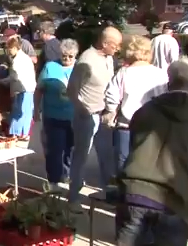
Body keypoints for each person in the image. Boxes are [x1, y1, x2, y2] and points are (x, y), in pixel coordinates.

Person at [116, 58, 188, 246]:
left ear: (169, 82)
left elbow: (132, 146)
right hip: (173, 201)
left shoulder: (145, 110)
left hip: (134, 192)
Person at [66, 26, 122, 210]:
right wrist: (82, 109)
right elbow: (71, 90)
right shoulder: (86, 60)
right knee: (81, 156)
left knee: (107, 157)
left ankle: (111, 195)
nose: (118, 49)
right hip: (87, 116)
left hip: (104, 116)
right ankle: (73, 197)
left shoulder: (109, 58)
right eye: (116, 45)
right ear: (105, 43)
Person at [102, 35, 168, 173]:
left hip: (126, 125)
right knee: (148, 164)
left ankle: (123, 191)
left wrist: (111, 111)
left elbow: (111, 97)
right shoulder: (160, 74)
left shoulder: (124, 73)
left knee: (123, 163)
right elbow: (165, 98)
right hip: (152, 126)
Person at [33, 39, 79, 191]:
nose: (67, 59)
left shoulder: (80, 68)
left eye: (70, 56)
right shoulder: (50, 67)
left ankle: (67, 175)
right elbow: (39, 90)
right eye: (64, 56)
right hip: (52, 115)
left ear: (75, 55)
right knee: (54, 149)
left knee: (71, 149)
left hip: (75, 117)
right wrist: (36, 109)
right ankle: (53, 180)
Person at [0, 37, 36, 140]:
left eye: (9, 49)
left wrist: (2, 81)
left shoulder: (17, 60)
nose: (8, 51)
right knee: (25, 112)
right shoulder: (25, 57)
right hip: (28, 88)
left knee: (19, 112)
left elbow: (14, 77)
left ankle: (16, 133)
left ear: (15, 48)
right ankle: (23, 133)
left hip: (22, 89)